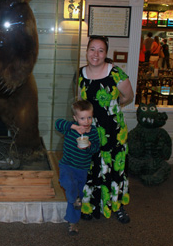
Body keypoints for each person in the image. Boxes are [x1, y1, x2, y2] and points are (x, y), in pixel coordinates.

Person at [78, 35, 134, 224]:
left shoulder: (116, 73)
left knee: (115, 169)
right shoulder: (80, 74)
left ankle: (117, 207)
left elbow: (128, 96)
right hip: (91, 132)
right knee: (92, 168)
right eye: (92, 49)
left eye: (101, 50)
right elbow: (80, 103)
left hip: (114, 131)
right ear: (86, 52)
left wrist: (112, 109)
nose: (96, 54)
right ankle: (90, 205)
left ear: (106, 54)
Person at [55, 100, 100, 235]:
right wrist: (74, 127)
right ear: (75, 118)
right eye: (82, 118)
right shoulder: (70, 127)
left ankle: (73, 222)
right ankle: (74, 199)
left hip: (82, 169)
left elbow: (96, 148)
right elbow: (58, 123)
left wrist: (90, 145)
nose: (86, 121)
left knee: (76, 195)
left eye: (89, 117)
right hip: (67, 165)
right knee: (68, 183)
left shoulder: (93, 131)